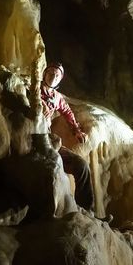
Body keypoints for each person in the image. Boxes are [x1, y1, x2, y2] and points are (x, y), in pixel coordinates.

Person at [40, 62, 94, 210]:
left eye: (57, 75)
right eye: (51, 73)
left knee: (81, 166)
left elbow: (67, 112)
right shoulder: (32, 88)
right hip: (30, 137)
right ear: (44, 74)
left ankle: (86, 210)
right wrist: (39, 103)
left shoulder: (56, 97)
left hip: (48, 140)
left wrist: (77, 130)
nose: (54, 76)